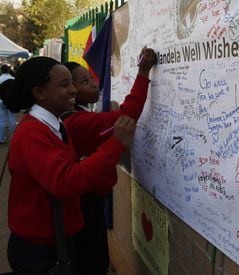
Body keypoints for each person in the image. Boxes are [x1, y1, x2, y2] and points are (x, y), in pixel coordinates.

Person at [2, 56, 143, 274]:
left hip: (57, 240)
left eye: (73, 83)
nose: (73, 90)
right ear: (39, 93)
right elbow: (65, 182)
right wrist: (115, 144)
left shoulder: (55, 124)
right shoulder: (32, 132)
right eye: (64, 85)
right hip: (40, 250)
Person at [62, 46, 156, 275]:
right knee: (93, 262)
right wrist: (143, 72)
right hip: (87, 207)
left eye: (90, 78)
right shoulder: (77, 122)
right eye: (84, 82)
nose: (94, 83)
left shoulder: (76, 116)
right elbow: (128, 114)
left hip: (89, 203)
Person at [0, 64, 17, 144]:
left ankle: (1, 138)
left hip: (1, 101)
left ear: (1, 70)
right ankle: (15, 137)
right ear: (9, 70)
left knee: (2, 120)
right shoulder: (13, 78)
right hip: (11, 101)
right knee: (12, 118)